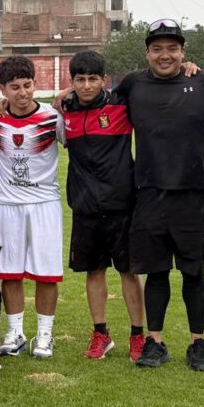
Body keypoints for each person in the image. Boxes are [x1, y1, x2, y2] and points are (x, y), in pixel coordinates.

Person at [113, 19, 204, 371]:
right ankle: (155, 342)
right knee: (156, 271)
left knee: (193, 272)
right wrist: (64, 96)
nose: (165, 55)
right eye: (157, 48)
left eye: (172, 48)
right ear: (147, 52)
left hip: (193, 193)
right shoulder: (132, 84)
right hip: (149, 193)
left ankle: (197, 343)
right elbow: (99, 104)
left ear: (183, 52)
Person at [60, 51, 146, 362]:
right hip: (85, 208)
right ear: (71, 82)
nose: (86, 86)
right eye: (79, 80)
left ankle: (138, 336)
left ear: (103, 80)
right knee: (94, 271)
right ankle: (101, 334)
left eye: (92, 79)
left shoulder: (121, 106)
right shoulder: (65, 110)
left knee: (128, 271)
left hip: (122, 204)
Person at [0, 57, 65, 360]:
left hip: (45, 204)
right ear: (2, 89)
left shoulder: (51, 117)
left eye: (28, 85)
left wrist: (67, 95)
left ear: (35, 83)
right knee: (10, 273)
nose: (22, 93)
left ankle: (44, 335)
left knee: (47, 274)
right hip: (8, 205)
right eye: (15, 87)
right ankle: (15, 332)